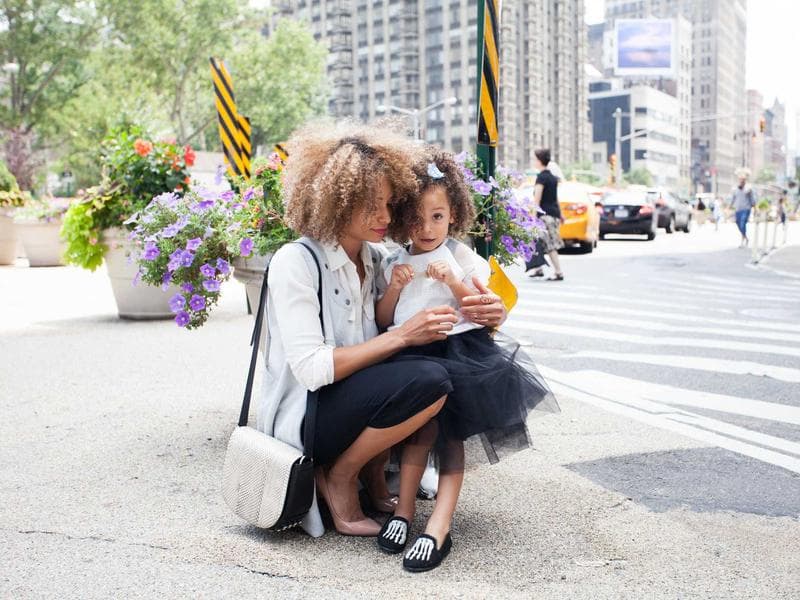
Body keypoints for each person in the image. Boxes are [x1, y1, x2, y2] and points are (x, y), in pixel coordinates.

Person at [258, 121, 508, 540]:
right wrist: (403, 335)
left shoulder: (376, 259)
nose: (386, 218)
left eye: (390, 205)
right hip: (308, 415)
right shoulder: (295, 262)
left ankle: (373, 477)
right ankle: (339, 476)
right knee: (428, 379)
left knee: (435, 375)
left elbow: (445, 285)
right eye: (372, 206)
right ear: (337, 202)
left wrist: (493, 311)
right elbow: (312, 370)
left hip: (355, 404)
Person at [373, 147, 557, 572]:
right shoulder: (395, 261)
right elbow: (385, 319)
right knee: (416, 434)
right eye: (416, 218)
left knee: (450, 438)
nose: (426, 228)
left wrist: (454, 281)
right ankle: (404, 512)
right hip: (410, 354)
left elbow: (479, 309)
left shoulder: (462, 257)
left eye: (437, 217)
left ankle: (440, 523)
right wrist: (395, 287)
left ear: (453, 214)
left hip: (458, 355)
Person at [528, 148, 565, 280]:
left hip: (545, 216)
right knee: (538, 241)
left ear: (539, 161)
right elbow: (555, 198)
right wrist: (561, 214)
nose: (534, 161)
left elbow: (536, 200)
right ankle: (538, 269)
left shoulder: (541, 178)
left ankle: (559, 272)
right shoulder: (553, 178)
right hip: (554, 214)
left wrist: (533, 218)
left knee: (549, 244)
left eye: (535, 159)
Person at [730, 173, 755, 246]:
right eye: (740, 179)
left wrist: (755, 208)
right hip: (738, 209)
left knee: (742, 223)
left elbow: (752, 199)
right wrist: (729, 206)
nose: (742, 181)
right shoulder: (735, 189)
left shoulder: (748, 189)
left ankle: (743, 239)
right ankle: (745, 237)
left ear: (745, 180)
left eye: (743, 180)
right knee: (738, 223)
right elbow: (733, 199)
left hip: (746, 209)